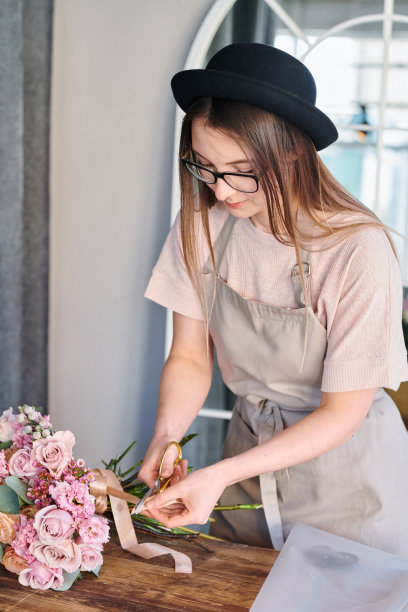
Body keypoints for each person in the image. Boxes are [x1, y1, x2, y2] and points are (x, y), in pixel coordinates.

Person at [138, 43, 408, 556]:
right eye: (205, 167)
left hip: (349, 479)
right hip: (245, 463)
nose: (221, 192)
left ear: (290, 150)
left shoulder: (357, 248)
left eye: (240, 169)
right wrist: (166, 435)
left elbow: (342, 412)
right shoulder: (201, 225)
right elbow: (191, 356)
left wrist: (220, 475)